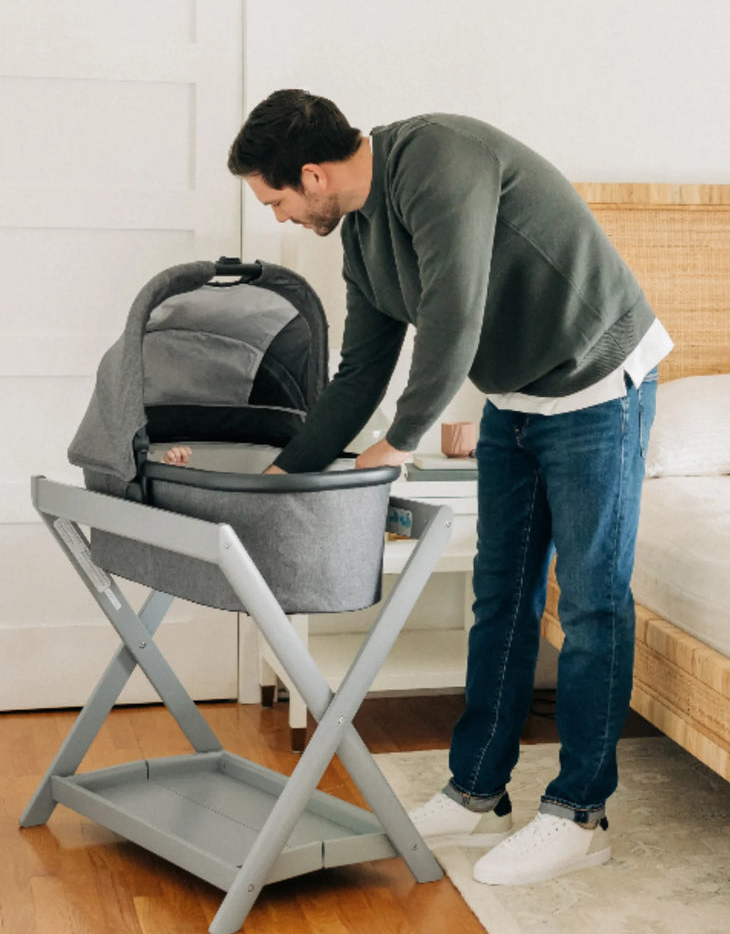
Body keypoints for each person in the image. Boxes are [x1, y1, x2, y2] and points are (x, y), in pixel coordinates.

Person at [199, 89, 672, 886]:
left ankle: (580, 815)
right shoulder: (363, 237)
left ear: (312, 175)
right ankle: (477, 790)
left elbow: (454, 316)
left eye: (274, 198)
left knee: (591, 602)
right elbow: (358, 375)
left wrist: (398, 444)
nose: (277, 216)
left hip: (598, 385)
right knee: (502, 593)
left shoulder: (437, 160)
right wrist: (282, 476)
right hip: (516, 400)